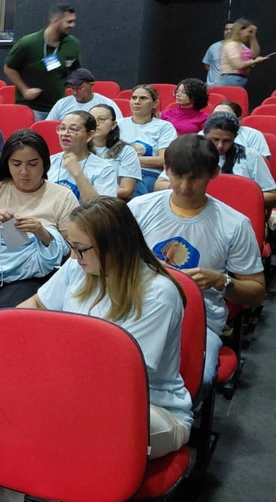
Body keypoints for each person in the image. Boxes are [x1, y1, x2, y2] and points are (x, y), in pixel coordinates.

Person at [18, 197, 193, 459]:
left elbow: (120, 374)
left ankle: (46, 493)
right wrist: (3, 334)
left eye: (80, 249)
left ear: (113, 246)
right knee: (26, 410)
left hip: (149, 406)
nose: (74, 256)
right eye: (71, 247)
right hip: (79, 392)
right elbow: (36, 305)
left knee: (48, 423)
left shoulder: (158, 294)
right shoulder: (79, 267)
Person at [129, 134, 265, 390]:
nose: (184, 186)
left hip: (197, 319)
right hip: (138, 306)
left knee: (195, 380)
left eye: (195, 177)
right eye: (178, 175)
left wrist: (222, 281)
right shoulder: (139, 208)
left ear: (214, 173)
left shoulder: (233, 224)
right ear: (166, 170)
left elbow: (257, 293)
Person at [0, 129, 77, 308]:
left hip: (33, 277)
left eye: (32, 164)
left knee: (5, 310)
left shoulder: (63, 196)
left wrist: (42, 233)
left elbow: (73, 251)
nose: (24, 172)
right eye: (16, 164)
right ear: (7, 164)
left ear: (45, 164)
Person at [159, 111, 276, 206]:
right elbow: (159, 185)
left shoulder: (251, 156)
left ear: (235, 138)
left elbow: (272, 195)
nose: (220, 146)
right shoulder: (189, 152)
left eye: (226, 141)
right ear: (204, 134)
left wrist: (237, 196)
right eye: (215, 139)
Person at [3, 3, 81, 117]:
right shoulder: (28, 43)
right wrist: (25, 90)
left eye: (74, 21)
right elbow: (9, 68)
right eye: (69, 22)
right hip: (30, 108)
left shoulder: (72, 44)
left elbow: (76, 71)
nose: (73, 25)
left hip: (59, 107)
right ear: (55, 20)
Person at [118, 85, 177, 195]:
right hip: (119, 171)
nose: (137, 102)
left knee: (135, 188)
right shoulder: (118, 124)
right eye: (134, 98)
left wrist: (127, 160)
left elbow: (163, 160)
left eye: (143, 98)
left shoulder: (164, 127)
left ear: (155, 103)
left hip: (148, 173)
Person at [49, 111, 118, 202]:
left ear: (90, 135)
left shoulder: (104, 169)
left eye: (74, 129)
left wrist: (78, 174)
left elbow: (102, 211)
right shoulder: (48, 161)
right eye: (62, 128)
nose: (65, 133)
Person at [89, 104, 142, 200]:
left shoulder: (126, 151)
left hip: (110, 203)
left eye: (102, 119)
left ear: (113, 125)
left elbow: (126, 190)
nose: (96, 123)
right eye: (92, 119)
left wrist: (91, 193)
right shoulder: (79, 148)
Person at [45, 68, 123, 121]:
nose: (75, 92)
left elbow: (119, 126)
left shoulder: (107, 104)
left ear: (91, 85)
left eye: (79, 88)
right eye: (72, 89)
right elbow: (48, 126)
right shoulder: (61, 104)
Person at [218, 18, 268, 87]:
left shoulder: (240, 45)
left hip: (238, 79)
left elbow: (254, 54)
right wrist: (255, 61)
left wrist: (253, 37)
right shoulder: (232, 45)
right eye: (249, 31)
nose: (249, 35)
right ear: (239, 30)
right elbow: (238, 65)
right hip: (231, 79)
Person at [202, 22, 234, 87]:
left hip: (231, 88)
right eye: (226, 29)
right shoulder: (213, 47)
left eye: (231, 29)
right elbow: (206, 64)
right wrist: (215, 73)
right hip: (212, 87)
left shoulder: (242, 48)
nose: (228, 31)